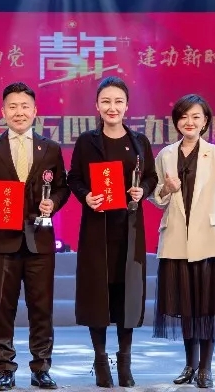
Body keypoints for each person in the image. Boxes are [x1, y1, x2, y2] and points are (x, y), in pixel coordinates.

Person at [0, 82, 70, 391]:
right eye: (12, 106)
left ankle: (41, 367)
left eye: (25, 106)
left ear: (35, 111)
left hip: (40, 238)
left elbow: (62, 187)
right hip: (2, 240)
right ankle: (5, 368)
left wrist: (54, 204)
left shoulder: (50, 148)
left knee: (42, 307)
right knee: (3, 308)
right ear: (3, 112)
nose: (19, 112)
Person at [67, 76, 158, 388]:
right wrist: (86, 197)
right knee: (98, 295)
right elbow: (74, 178)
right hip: (97, 230)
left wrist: (142, 191)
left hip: (129, 230)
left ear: (127, 106)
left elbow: (151, 177)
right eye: (106, 101)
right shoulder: (87, 141)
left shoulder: (139, 142)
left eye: (118, 101)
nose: (112, 107)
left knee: (126, 295)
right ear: (97, 105)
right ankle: (100, 359)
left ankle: (125, 360)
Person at [149, 94, 215, 388]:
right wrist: (167, 188)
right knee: (186, 306)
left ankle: (206, 368)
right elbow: (157, 198)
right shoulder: (165, 154)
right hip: (177, 238)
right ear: (176, 121)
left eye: (195, 117)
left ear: (205, 121)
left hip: (207, 237)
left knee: (207, 306)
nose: (189, 122)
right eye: (184, 116)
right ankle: (190, 365)